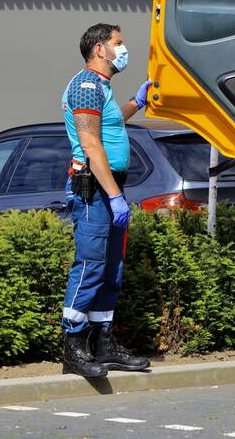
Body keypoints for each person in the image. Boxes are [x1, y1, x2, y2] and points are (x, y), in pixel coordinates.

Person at [59, 23, 153, 378]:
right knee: (90, 265)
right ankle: (74, 347)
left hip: (111, 188)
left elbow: (110, 128)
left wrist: (136, 103)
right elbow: (91, 144)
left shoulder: (101, 88)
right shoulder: (85, 87)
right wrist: (114, 196)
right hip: (95, 190)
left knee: (111, 269)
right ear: (100, 49)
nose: (123, 48)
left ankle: (103, 344)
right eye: (118, 43)